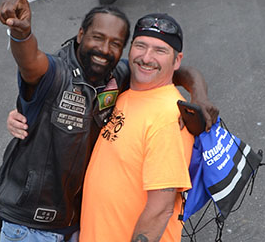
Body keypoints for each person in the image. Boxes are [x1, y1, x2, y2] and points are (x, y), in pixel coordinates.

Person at [0, 0, 218, 242]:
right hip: (32, 227)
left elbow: (161, 207)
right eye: (97, 37)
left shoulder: (131, 86)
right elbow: (30, 62)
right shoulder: (60, 75)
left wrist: (199, 95)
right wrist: (22, 35)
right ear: (80, 35)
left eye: (115, 43)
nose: (104, 49)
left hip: (72, 226)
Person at [79, 13, 194, 242]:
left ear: (177, 60)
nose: (146, 57)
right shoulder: (125, 94)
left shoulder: (168, 115)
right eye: (140, 46)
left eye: (160, 51)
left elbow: (161, 208)